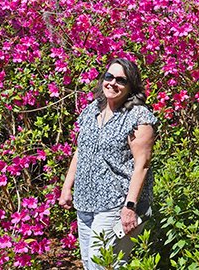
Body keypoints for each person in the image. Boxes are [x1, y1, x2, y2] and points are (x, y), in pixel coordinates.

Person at [60, 57, 157, 269]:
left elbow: (143, 164)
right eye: (109, 76)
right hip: (85, 202)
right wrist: (67, 187)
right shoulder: (92, 109)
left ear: (131, 85)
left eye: (121, 80)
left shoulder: (138, 116)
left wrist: (130, 207)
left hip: (116, 204)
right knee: (89, 264)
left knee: (104, 266)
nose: (112, 83)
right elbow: (81, 151)